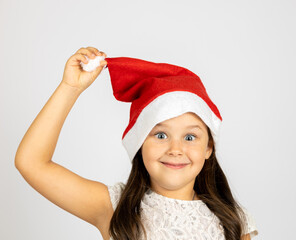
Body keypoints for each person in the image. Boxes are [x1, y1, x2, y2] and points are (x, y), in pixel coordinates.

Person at [15, 46, 259, 240]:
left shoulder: (233, 221)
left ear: (209, 148)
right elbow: (32, 163)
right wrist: (70, 87)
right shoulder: (113, 208)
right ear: (140, 142)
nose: (175, 149)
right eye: (161, 135)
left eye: (190, 137)